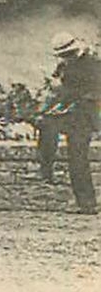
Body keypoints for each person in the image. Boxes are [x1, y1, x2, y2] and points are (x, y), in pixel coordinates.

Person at [45, 32, 100, 215]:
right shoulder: (65, 65)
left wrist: (71, 103)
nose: (64, 58)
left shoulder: (93, 64)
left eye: (66, 54)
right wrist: (59, 105)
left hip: (88, 114)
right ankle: (46, 169)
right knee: (47, 128)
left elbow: (94, 92)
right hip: (73, 115)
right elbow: (63, 89)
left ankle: (87, 203)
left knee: (78, 158)